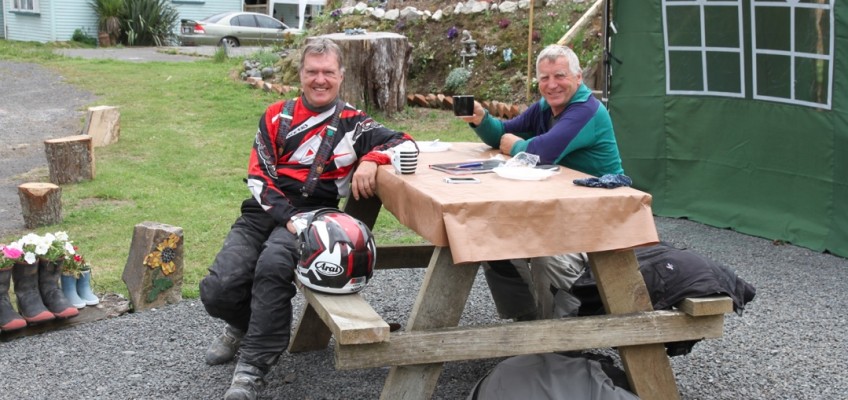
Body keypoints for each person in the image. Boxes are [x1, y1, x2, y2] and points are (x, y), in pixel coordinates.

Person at [199, 38, 414, 400]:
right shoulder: (275, 115)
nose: (320, 79)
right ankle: (242, 325)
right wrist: (287, 217)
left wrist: (370, 160)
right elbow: (259, 177)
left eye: (328, 72)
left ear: (341, 75)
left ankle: (252, 368)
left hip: (315, 214)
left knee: (272, 267)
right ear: (300, 74)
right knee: (220, 287)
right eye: (312, 71)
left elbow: (404, 142)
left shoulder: (353, 122)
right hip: (264, 209)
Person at [459, 44, 624, 321]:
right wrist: (482, 120)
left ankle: (555, 327)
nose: (552, 84)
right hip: (563, 208)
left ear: (578, 77)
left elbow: (542, 153)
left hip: (600, 218)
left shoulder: (586, 111)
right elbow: (503, 133)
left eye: (560, 76)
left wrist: (517, 146)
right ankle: (527, 319)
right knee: (492, 233)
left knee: (546, 254)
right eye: (544, 78)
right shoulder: (545, 107)